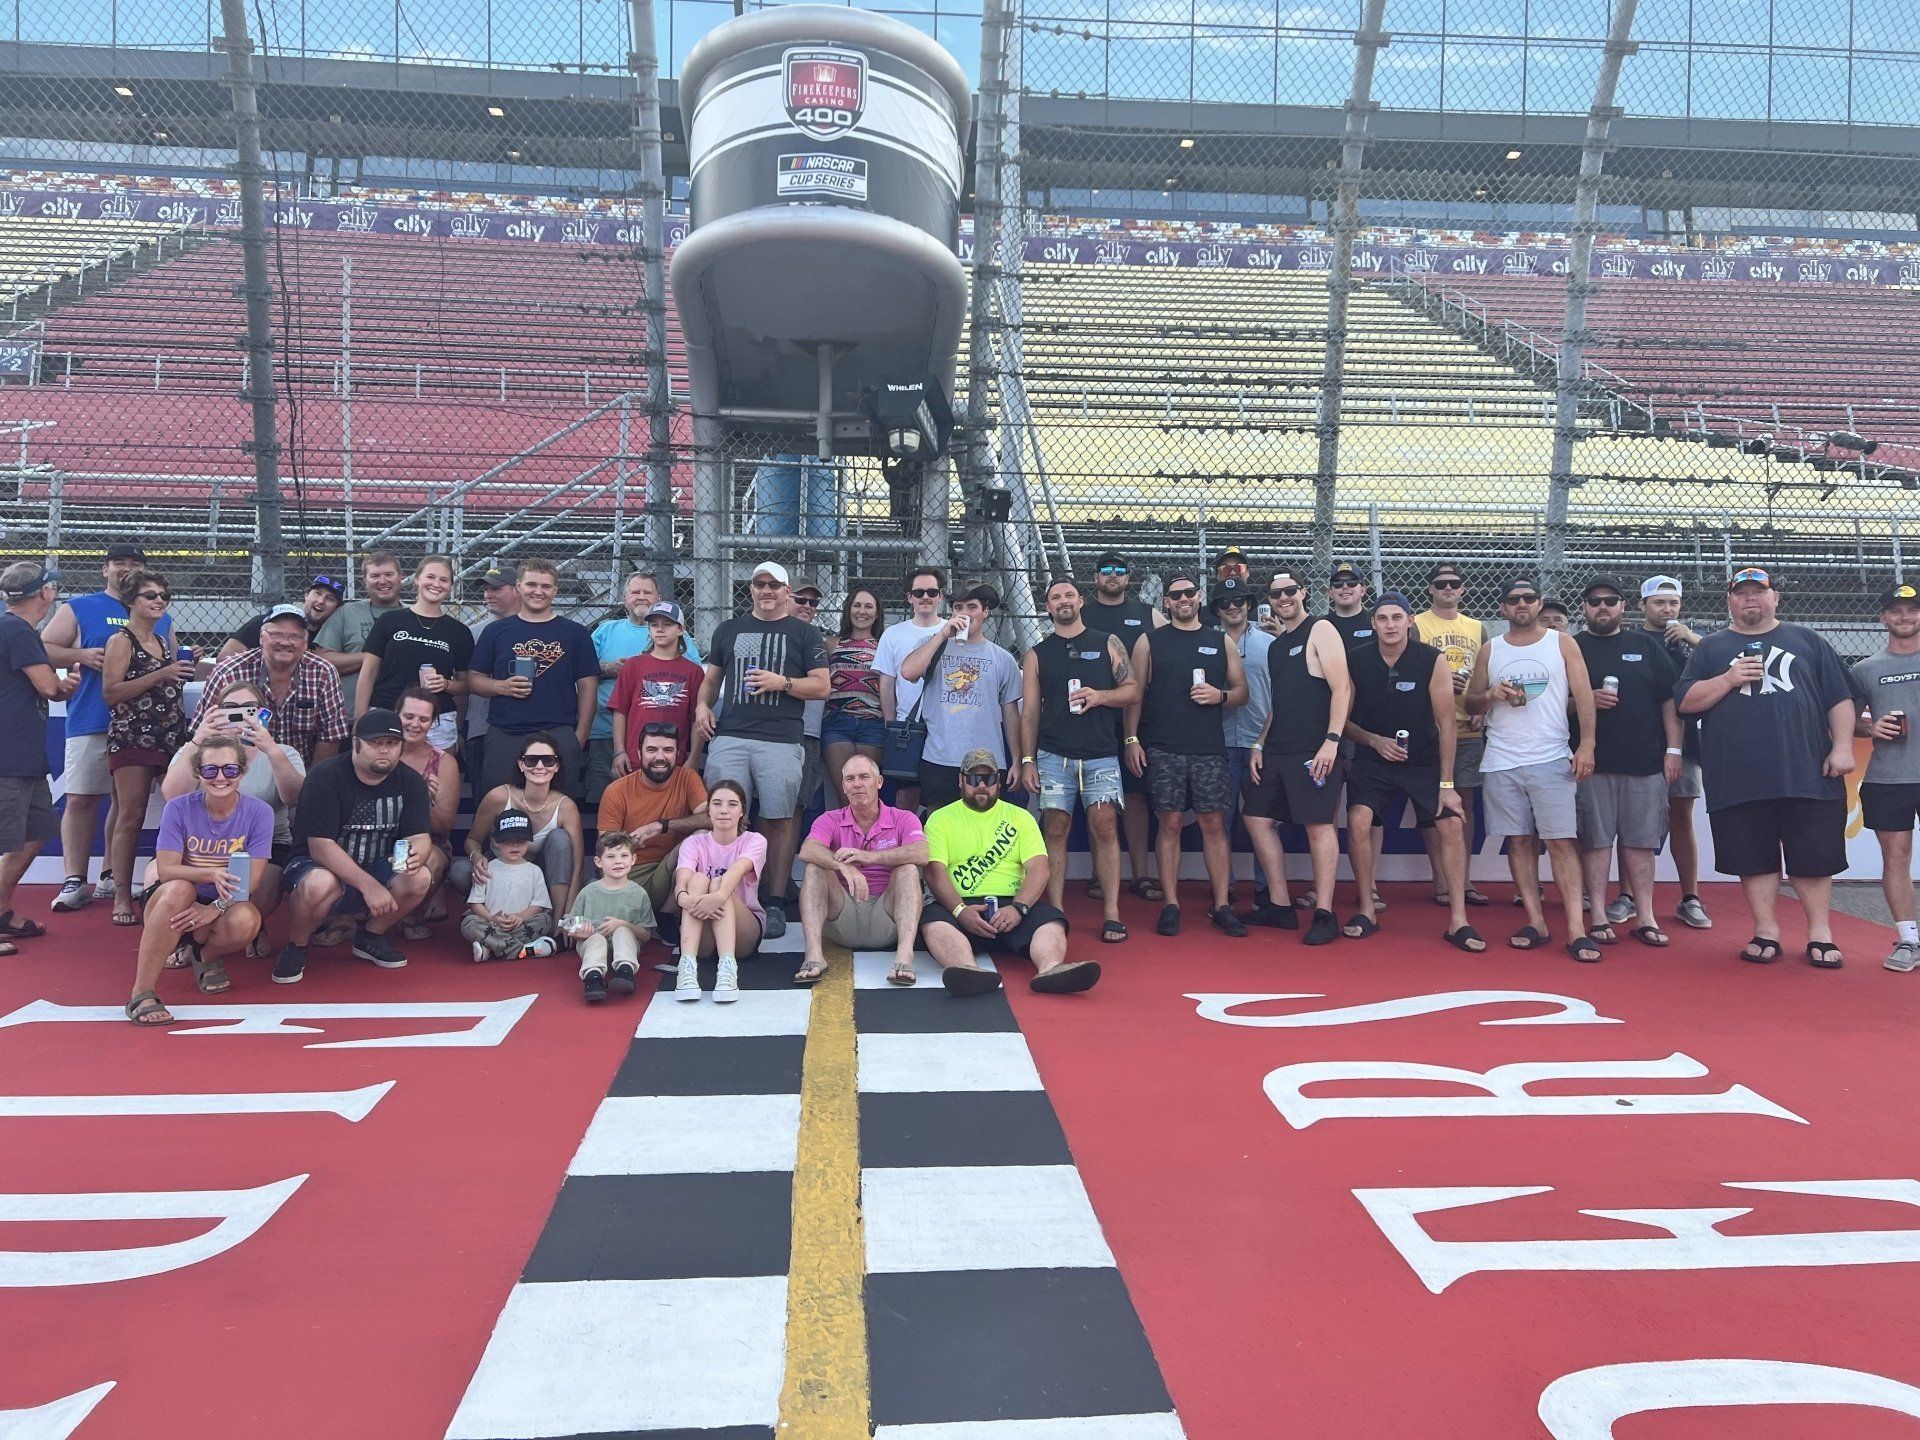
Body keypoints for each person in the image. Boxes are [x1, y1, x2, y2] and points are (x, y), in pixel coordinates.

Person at [1678, 567, 1859, 969]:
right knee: (1753, 857)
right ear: (1729, 601)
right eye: (1741, 594)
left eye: (1758, 593)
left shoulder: (1808, 640)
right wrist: (1727, 678)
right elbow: (1686, 702)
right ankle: (1765, 930)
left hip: (1808, 770)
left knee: (1813, 857)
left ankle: (1820, 934)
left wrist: (1843, 747)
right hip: (1738, 774)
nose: (1750, 600)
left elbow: (1840, 698)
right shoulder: (1711, 648)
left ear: (1775, 597)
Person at [695, 560, 829, 941]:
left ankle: (773, 900)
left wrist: (782, 682)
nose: (767, 591)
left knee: (779, 818)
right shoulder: (729, 629)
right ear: (750, 589)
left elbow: (821, 687)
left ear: (787, 591)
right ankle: (729, 894)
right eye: (759, 584)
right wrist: (702, 707)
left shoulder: (805, 634)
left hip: (782, 739)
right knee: (724, 816)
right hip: (732, 734)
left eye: (774, 585)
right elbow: (712, 680)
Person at [1466, 578, 1598, 960]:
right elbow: (1471, 704)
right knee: (1520, 841)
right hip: (1502, 760)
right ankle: (1536, 920)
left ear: (1539, 604)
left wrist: (1586, 745)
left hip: (1551, 755)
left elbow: (1585, 697)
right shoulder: (1491, 649)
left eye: (1528, 598)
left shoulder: (1562, 643)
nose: (1521, 604)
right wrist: (1490, 695)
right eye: (1513, 600)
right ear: (1503, 609)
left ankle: (1575, 928)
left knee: (1560, 842)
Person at [1341, 591, 1479, 950]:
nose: (1390, 625)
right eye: (1383, 618)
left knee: (1450, 822)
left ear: (1409, 621)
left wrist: (1447, 782)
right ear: (1373, 623)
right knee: (1358, 820)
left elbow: (1447, 723)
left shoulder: (1431, 660)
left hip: (1423, 761)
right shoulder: (1355, 660)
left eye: (1396, 618)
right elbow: (1342, 721)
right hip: (1373, 760)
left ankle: (1459, 920)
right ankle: (1367, 909)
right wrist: (1373, 741)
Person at [42, 543, 169, 913]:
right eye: (118, 563)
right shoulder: (79, 607)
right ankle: (74, 878)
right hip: (91, 717)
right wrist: (79, 655)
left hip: (140, 727)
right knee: (81, 798)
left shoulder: (159, 610)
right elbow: (43, 647)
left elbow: (174, 659)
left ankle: (112, 874)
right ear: (104, 569)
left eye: (134, 563)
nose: (126, 568)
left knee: (124, 803)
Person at [1124, 569, 1248, 937]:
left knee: (1213, 825)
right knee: (1170, 824)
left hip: (1208, 748)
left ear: (1198, 597)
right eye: (1175, 595)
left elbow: (1242, 691)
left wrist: (1220, 695)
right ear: (1166, 601)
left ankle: (1222, 905)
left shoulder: (1220, 640)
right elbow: (1135, 693)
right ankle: (1171, 904)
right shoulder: (1149, 641)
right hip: (1163, 748)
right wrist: (1131, 740)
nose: (1182, 600)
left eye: (1189, 593)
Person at [921, 749, 1101, 997]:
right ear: (961, 781)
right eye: (974, 779)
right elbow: (934, 872)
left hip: (1012, 904)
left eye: (989, 779)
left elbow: (1040, 867)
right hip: (960, 905)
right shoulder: (940, 819)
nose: (982, 785)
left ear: (998, 782)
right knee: (932, 920)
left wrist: (1019, 908)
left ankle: (1052, 969)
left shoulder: (1020, 817)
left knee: (1052, 919)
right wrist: (960, 911)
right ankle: (967, 971)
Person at [274, 708, 434, 984]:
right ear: (356, 742)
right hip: (316, 865)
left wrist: (414, 852)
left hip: (377, 862)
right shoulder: (325, 776)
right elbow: (320, 847)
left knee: (419, 877)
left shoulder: (411, 782)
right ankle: (296, 946)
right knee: (320, 882)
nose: (384, 750)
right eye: (375, 743)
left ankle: (370, 936)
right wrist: (369, 886)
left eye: (391, 743)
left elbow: (419, 835)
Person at [125, 734, 274, 1025]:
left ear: (241, 773)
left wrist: (213, 909)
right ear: (197, 774)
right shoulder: (178, 808)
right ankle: (141, 991)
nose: (221, 777)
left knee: (247, 920)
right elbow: (167, 869)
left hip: (223, 900)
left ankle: (204, 955)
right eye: (211, 770)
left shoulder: (259, 813)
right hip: (176, 896)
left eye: (230, 770)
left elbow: (251, 882)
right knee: (179, 889)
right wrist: (210, 874)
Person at [1021, 576, 1139, 943]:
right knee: (1055, 829)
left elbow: (1132, 690)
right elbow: (1029, 714)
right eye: (1055, 597)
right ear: (1048, 606)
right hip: (1054, 754)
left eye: (1069, 594)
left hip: (1101, 753)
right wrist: (1027, 759)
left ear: (1080, 600)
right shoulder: (1037, 653)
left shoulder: (1108, 643)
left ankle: (1112, 913)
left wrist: (1101, 696)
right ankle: (1055, 913)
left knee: (1104, 828)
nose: (1063, 601)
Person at [1244, 569, 1352, 945]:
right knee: (1257, 818)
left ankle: (1324, 912)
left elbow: (1342, 689)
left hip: (1314, 748)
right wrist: (1259, 743)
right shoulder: (1276, 646)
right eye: (1275, 594)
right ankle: (1279, 905)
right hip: (1278, 748)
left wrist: (1331, 741)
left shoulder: (1321, 630)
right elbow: (1279, 703)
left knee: (1318, 826)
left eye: (1290, 591)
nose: (1283, 598)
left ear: (1303, 592)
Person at [160, 677, 306, 955]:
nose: (239, 715)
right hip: (201, 844)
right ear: (216, 711)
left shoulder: (282, 752)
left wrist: (270, 749)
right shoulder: (197, 749)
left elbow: (295, 797)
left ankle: (249, 925)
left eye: (249, 708)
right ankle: (195, 936)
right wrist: (197, 740)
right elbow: (173, 796)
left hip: (263, 844)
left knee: (259, 889)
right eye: (230, 708)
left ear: (263, 713)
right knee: (165, 879)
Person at [1574, 577, 1682, 949]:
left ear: (1623, 606)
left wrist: (1674, 750)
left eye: (1610, 601)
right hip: (1591, 762)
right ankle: (1600, 915)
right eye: (1594, 601)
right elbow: (1555, 703)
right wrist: (1585, 699)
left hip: (1645, 761)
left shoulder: (1645, 646)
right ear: (1584, 607)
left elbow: (1669, 701)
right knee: (1596, 841)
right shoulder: (1572, 648)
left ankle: (1646, 916)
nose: (1602, 607)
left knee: (1640, 842)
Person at [101, 567, 192, 926]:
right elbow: (110, 692)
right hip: (133, 736)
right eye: (150, 596)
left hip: (169, 735)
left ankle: (169, 884)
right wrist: (162, 674)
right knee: (131, 815)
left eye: (163, 596)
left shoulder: (162, 639)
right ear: (131, 601)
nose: (159, 601)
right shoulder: (121, 640)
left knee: (180, 809)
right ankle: (121, 895)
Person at [468, 559, 598, 798]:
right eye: (531, 584)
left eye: (546, 586)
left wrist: (579, 736)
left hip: (557, 731)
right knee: (498, 806)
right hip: (505, 733)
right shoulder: (496, 631)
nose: (538, 591)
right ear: (519, 586)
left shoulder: (575, 633)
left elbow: (588, 686)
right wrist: (501, 686)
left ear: (556, 590)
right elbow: (474, 679)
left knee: (557, 810)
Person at [795, 753, 927, 986]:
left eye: (864, 777)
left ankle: (904, 957)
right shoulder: (830, 819)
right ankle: (814, 956)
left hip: (887, 915)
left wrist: (868, 857)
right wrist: (842, 866)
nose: (857, 784)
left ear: (879, 782)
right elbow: (808, 850)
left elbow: (921, 853)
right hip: (842, 915)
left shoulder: (903, 818)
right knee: (815, 868)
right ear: (843, 787)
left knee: (908, 869)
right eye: (850, 779)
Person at [0, 562, 76, 949]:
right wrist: (68, 683)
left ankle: (3, 910)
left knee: (35, 832)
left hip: (22, 751)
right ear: (44, 593)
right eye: (51, 589)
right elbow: (48, 687)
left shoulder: (13, 627)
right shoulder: (17, 629)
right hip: (10, 753)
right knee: (13, 839)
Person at [899, 583, 1024, 811]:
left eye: (972, 607)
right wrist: (943, 634)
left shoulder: (1003, 659)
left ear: (985, 612)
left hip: (988, 760)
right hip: (939, 757)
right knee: (939, 822)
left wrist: (1017, 759)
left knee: (985, 824)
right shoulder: (932, 645)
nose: (965, 613)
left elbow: (1011, 712)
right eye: (958, 607)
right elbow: (908, 672)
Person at [1633, 575, 1712, 931]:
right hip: (1640, 743)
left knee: (1681, 816)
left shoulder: (1693, 643)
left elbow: (1730, 665)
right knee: (1634, 822)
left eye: (1673, 603)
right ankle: (1628, 896)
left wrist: (1694, 639)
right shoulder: (1632, 640)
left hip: (1686, 745)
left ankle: (1690, 897)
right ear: (1642, 606)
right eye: (1659, 603)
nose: (1667, 609)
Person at [1086, 549, 1164, 903]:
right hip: (1090, 718)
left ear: (1128, 578)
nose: (1113, 575)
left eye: (1119, 570)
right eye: (1106, 570)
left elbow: (1176, 648)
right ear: (1096, 578)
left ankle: (1141, 874)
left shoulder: (1147, 614)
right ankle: (1100, 874)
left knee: (1135, 796)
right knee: (1097, 800)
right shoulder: (1081, 613)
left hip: (1140, 720)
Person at [587, 571, 703, 804]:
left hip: (668, 740)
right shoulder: (606, 629)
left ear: (658, 597)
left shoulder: (685, 647)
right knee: (609, 799)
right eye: (635, 592)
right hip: (607, 732)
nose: (641, 597)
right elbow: (582, 670)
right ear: (624, 598)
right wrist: (609, 667)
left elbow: (693, 692)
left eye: (647, 592)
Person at [1415, 562, 1492, 907]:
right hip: (1429, 731)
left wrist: (1483, 708)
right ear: (1430, 589)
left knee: (1466, 805)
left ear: (1463, 589)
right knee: (1434, 808)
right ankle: (1442, 880)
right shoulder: (1415, 623)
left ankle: (1465, 879)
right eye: (1440, 583)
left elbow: (1488, 674)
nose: (1448, 588)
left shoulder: (1478, 628)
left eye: (1454, 583)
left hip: (1468, 728)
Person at [1853, 583, 1920, 972]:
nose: (1905, 617)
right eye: (1896, 611)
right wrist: (1870, 728)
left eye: (1912, 611)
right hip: (1889, 778)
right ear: (1883, 618)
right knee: (1895, 857)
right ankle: (1909, 939)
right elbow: (1848, 722)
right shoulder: (1865, 669)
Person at [193, 605, 350, 768]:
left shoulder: (323, 673)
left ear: (305, 643)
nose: (285, 642)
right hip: (238, 773)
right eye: (276, 634)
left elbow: (330, 737)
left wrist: (312, 786)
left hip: (300, 772)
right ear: (261, 638)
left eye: (294, 637)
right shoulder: (228, 672)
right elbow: (203, 732)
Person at [1212, 577, 1283, 914]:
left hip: (1260, 743)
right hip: (1219, 743)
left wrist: (1264, 740)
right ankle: (1223, 889)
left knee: (1262, 819)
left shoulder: (1270, 641)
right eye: (1225, 601)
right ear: (1216, 608)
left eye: (1239, 599)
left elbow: (1283, 694)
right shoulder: (1206, 640)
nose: (1232, 606)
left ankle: (1266, 889)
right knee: (1219, 821)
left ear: (1250, 604)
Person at [354, 555, 472, 749]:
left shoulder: (459, 632)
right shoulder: (389, 621)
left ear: (451, 586)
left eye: (444, 580)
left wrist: (446, 684)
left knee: (436, 776)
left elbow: (466, 686)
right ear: (417, 579)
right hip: (387, 711)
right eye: (430, 577)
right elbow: (368, 673)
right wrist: (360, 720)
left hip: (437, 720)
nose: (436, 584)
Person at [464, 733, 586, 917]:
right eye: (531, 760)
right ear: (521, 764)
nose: (539, 766)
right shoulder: (498, 796)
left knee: (560, 839)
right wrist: (477, 857)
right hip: (500, 871)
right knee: (459, 872)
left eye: (548, 761)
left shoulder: (566, 807)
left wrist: (568, 916)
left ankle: (556, 920)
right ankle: (486, 912)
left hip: (544, 876)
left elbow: (577, 865)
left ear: (557, 766)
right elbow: (472, 839)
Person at [597, 725, 711, 918]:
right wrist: (629, 842)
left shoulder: (688, 778)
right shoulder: (617, 790)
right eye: (652, 750)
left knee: (701, 837)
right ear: (638, 753)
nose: (660, 757)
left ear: (677, 753)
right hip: (630, 876)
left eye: (668, 750)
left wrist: (661, 825)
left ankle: (667, 917)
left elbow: (711, 819)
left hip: (675, 873)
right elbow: (605, 847)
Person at [672, 779, 765, 1001]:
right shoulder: (693, 843)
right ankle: (686, 966)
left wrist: (717, 897)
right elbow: (681, 883)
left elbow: (735, 873)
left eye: (732, 804)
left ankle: (727, 968)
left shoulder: (755, 840)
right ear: (708, 810)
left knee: (718, 882)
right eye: (717, 804)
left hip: (744, 931)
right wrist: (684, 899)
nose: (724, 810)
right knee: (698, 879)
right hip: (702, 928)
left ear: (742, 811)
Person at [873, 567, 950, 814]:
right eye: (918, 592)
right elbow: (886, 683)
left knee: (943, 799)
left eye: (931, 591)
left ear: (941, 596)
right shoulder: (893, 635)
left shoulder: (955, 630)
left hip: (947, 726)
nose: (925, 597)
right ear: (909, 597)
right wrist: (891, 724)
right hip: (910, 728)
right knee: (906, 796)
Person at [609, 600, 704, 777]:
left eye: (667, 624)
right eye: (654, 625)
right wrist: (619, 751)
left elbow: (696, 719)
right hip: (635, 759)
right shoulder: (633, 665)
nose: (660, 629)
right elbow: (620, 711)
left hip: (675, 761)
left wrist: (694, 759)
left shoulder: (694, 672)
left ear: (681, 629)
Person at [395, 686, 459, 938]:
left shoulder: (443, 762)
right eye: (408, 716)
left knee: (431, 858)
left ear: (432, 724)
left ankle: (408, 916)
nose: (415, 724)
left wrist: (421, 800)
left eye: (423, 719)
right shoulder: (379, 750)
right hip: (375, 836)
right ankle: (347, 919)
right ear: (396, 715)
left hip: (423, 840)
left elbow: (443, 827)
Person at [565, 831, 657, 1004]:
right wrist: (580, 929)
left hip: (625, 948)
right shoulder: (588, 892)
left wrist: (624, 924)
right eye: (611, 856)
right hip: (592, 944)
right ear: (598, 862)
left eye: (624, 855)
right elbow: (569, 923)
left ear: (633, 859)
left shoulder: (639, 893)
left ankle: (625, 971)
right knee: (596, 939)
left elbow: (646, 934)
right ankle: (593, 979)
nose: (618, 861)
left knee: (622, 931)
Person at [458, 808, 557, 961]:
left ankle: (491, 946)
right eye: (508, 842)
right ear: (497, 841)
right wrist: (491, 918)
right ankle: (522, 950)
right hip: (492, 923)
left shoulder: (534, 871)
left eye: (520, 841)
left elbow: (539, 904)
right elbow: (475, 903)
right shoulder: (487, 868)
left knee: (545, 921)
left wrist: (520, 917)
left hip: (521, 923)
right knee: (469, 923)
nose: (515, 846)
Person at [313, 549, 405, 712]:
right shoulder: (346, 612)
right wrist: (373, 656)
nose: (382, 581)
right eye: (375, 576)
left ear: (401, 577)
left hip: (402, 715)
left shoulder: (413, 616)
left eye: (389, 574)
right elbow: (321, 660)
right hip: (347, 714)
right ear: (365, 581)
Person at [821, 585, 887, 807]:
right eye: (857, 605)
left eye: (869, 606)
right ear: (848, 609)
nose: (862, 611)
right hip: (837, 723)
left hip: (873, 724)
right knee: (845, 794)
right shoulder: (832, 644)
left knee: (866, 797)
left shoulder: (885, 646)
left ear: (877, 613)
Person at [463, 563, 522, 791]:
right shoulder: (474, 632)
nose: (488, 594)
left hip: (526, 729)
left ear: (517, 589)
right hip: (480, 728)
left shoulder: (541, 628)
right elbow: (466, 680)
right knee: (485, 801)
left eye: (496, 589)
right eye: (485, 589)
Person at [219, 573, 344, 659]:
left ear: (337, 607)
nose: (321, 601)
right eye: (317, 593)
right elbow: (225, 658)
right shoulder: (265, 622)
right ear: (306, 595)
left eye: (330, 599)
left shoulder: (335, 638)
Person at [789, 574, 831, 834]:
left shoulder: (817, 639)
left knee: (796, 806)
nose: (807, 606)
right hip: (775, 730)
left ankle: (780, 875)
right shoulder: (769, 631)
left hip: (809, 733)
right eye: (800, 600)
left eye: (813, 603)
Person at [1324, 562, 1376, 650]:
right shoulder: (1321, 625)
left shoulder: (1375, 623)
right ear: (1330, 592)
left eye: (1352, 582)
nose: (1345, 586)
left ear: (1363, 590)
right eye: (1338, 583)